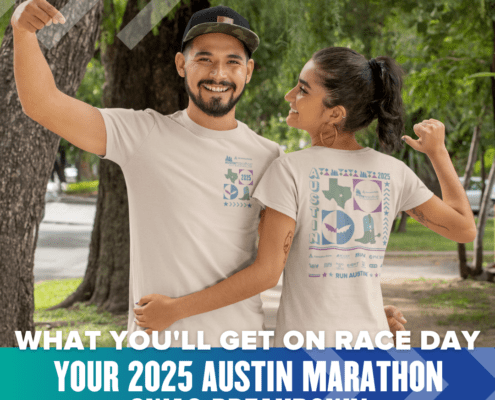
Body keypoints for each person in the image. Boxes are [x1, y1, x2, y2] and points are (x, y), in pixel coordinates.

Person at [11, 1, 406, 347]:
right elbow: (43, 105)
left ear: (248, 72)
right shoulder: (140, 134)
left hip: (239, 355)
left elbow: (300, 259)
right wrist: (23, 31)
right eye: (204, 59)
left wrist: (361, 317)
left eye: (232, 62)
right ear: (182, 64)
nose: (218, 72)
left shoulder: (272, 157)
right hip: (156, 355)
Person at [133, 47, 477, 347]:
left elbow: (266, 273)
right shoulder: (392, 173)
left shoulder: (290, 170)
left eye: (303, 90)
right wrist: (438, 153)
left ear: (335, 113)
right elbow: (464, 229)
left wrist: (175, 309)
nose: (289, 96)